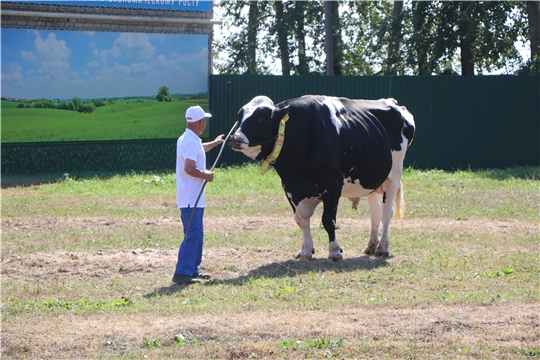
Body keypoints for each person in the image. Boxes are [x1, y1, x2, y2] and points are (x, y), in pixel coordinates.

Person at [172, 105, 224, 285]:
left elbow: (198, 149)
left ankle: (192, 269)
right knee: (192, 235)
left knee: (196, 234)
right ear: (200, 122)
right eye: (204, 121)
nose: (205, 124)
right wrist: (206, 175)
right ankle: (182, 273)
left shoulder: (188, 139)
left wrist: (215, 143)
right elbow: (189, 168)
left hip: (192, 198)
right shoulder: (189, 141)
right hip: (190, 198)